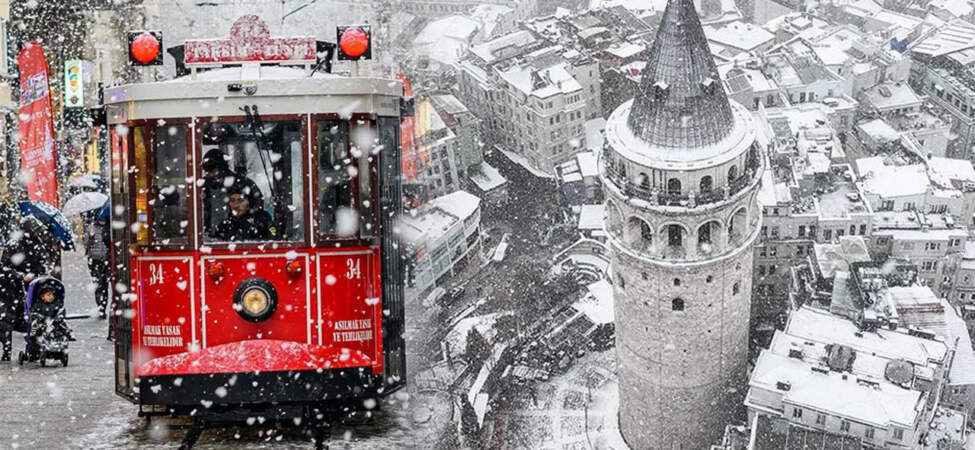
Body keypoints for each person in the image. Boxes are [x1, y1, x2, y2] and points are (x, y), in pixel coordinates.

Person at [82, 210, 110, 318]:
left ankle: (103, 306)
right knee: (98, 285)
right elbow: (86, 245)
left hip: (106, 259)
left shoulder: (108, 227)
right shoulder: (91, 228)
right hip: (95, 260)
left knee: (105, 285)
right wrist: (91, 237)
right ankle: (100, 307)